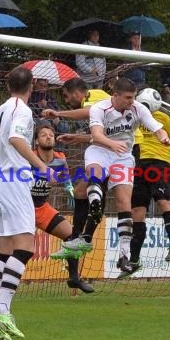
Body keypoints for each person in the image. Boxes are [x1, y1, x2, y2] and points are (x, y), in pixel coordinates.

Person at [0, 66, 55, 340]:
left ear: (8, 86)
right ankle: (3, 310)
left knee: (3, 252)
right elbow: (16, 139)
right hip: (12, 183)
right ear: (31, 87)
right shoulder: (22, 110)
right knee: (25, 248)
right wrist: (42, 166)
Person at [60, 78, 170, 274]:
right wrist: (112, 144)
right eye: (128, 97)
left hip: (123, 157)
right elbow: (96, 134)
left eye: (133, 97)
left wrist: (162, 136)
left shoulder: (138, 108)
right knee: (94, 174)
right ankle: (95, 207)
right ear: (116, 95)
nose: (132, 101)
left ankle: (124, 256)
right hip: (100, 150)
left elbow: (156, 126)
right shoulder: (99, 108)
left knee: (123, 202)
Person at [117, 88, 170, 279]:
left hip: (161, 164)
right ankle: (134, 260)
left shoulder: (167, 116)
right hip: (138, 164)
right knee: (136, 213)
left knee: (164, 202)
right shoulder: (132, 114)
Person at [42, 77, 110, 258]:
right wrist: (77, 138)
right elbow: (102, 136)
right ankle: (76, 238)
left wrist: (58, 114)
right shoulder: (100, 100)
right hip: (112, 149)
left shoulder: (91, 97)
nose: (66, 100)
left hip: (119, 153)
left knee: (106, 196)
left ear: (76, 92)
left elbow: (88, 111)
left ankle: (87, 240)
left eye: (66, 96)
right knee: (81, 192)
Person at [31, 124, 93, 293]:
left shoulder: (61, 158)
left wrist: (70, 191)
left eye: (51, 134)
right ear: (36, 141)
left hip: (42, 207)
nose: (48, 136)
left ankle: (74, 278)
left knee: (73, 236)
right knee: (20, 250)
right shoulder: (29, 157)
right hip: (23, 208)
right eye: (43, 135)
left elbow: (65, 179)